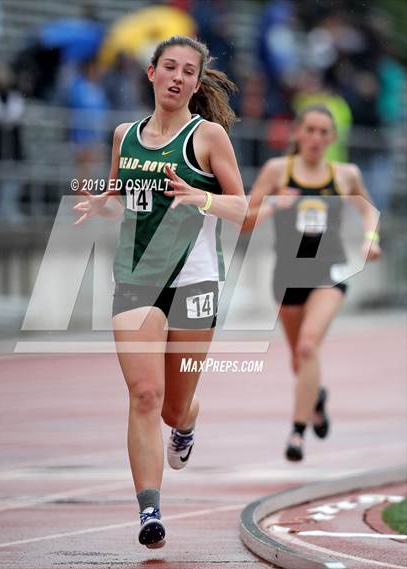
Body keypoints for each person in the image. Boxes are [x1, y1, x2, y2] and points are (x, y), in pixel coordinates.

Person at [73, 36, 246, 548]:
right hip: (137, 278)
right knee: (145, 395)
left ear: (196, 82)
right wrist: (101, 199)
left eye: (187, 71)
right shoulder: (124, 133)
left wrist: (204, 199)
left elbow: (245, 208)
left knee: (172, 408)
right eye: (168, 67)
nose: (177, 77)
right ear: (151, 73)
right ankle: (150, 510)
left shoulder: (209, 135)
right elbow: (122, 191)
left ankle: (188, 422)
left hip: (194, 280)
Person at [243, 104, 381, 462]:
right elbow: (245, 219)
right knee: (298, 360)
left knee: (307, 347)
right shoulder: (277, 171)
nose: (317, 138)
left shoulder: (345, 175)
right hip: (287, 276)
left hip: (329, 273)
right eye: (311, 130)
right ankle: (316, 397)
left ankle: (297, 433)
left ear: (332, 138)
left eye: (324, 132)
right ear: (297, 133)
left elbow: (368, 210)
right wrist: (274, 204)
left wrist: (370, 239)